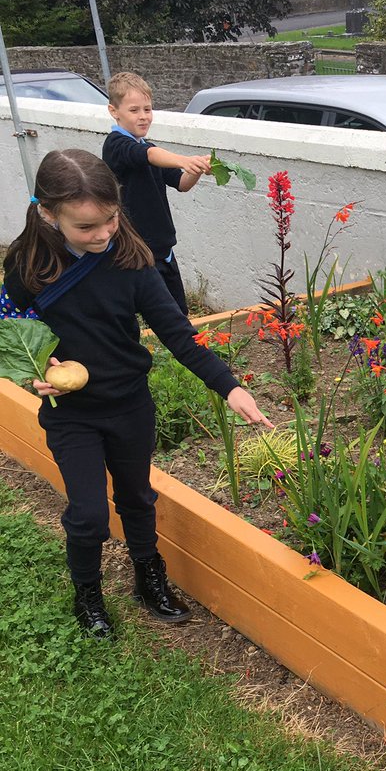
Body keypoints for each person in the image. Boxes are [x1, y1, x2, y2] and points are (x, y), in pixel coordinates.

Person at [2, 148, 273, 639]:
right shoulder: (28, 266)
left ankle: (149, 578)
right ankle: (87, 593)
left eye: (110, 218)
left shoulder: (130, 258)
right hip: (72, 413)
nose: (103, 233)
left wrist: (229, 385)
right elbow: (11, 327)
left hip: (129, 404)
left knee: (137, 498)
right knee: (88, 514)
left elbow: (178, 332)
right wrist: (35, 369)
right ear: (48, 214)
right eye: (87, 227)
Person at [102, 70, 210, 315]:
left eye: (147, 109)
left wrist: (197, 169)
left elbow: (182, 183)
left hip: (164, 249)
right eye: (134, 110)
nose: (143, 116)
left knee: (179, 314)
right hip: (136, 251)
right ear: (113, 111)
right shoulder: (116, 145)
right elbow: (147, 155)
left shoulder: (151, 149)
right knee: (148, 315)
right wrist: (185, 159)